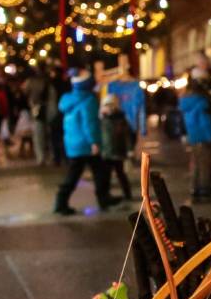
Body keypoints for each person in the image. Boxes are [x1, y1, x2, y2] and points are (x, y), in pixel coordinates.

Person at [54, 69, 117, 215]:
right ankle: (102, 199)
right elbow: (90, 123)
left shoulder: (68, 99)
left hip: (73, 142)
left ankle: (62, 202)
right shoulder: (89, 100)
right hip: (86, 144)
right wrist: (94, 142)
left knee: (79, 173)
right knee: (98, 171)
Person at [179, 70, 211, 201]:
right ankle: (205, 187)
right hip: (203, 134)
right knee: (204, 162)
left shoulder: (186, 99)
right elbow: (204, 119)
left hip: (194, 134)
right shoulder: (201, 100)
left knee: (196, 161)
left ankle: (195, 187)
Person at [100, 93, 134, 201]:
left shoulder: (121, 119)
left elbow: (128, 135)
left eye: (111, 105)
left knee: (121, 174)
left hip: (118, 152)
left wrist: (130, 149)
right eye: (106, 105)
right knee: (105, 176)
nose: (109, 108)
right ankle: (105, 195)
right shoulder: (101, 120)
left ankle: (127, 194)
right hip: (106, 153)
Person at [24, 65, 54, 165]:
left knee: (39, 134)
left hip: (38, 109)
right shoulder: (47, 82)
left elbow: (25, 93)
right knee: (46, 134)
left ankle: (42, 157)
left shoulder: (31, 82)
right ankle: (48, 156)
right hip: (45, 110)